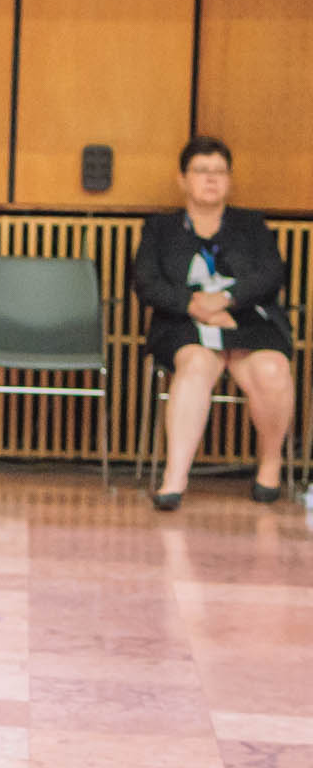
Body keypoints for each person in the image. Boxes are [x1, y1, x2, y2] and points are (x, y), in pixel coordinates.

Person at [131, 135, 296, 508]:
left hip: (246, 319)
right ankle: (175, 478)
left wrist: (227, 300)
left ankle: (270, 465)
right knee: (195, 365)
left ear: (230, 180)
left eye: (219, 171)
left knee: (272, 370)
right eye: (201, 170)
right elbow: (146, 282)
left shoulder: (252, 225)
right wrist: (195, 306)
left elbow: (272, 275)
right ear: (182, 179)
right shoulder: (159, 228)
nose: (211, 179)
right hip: (183, 321)